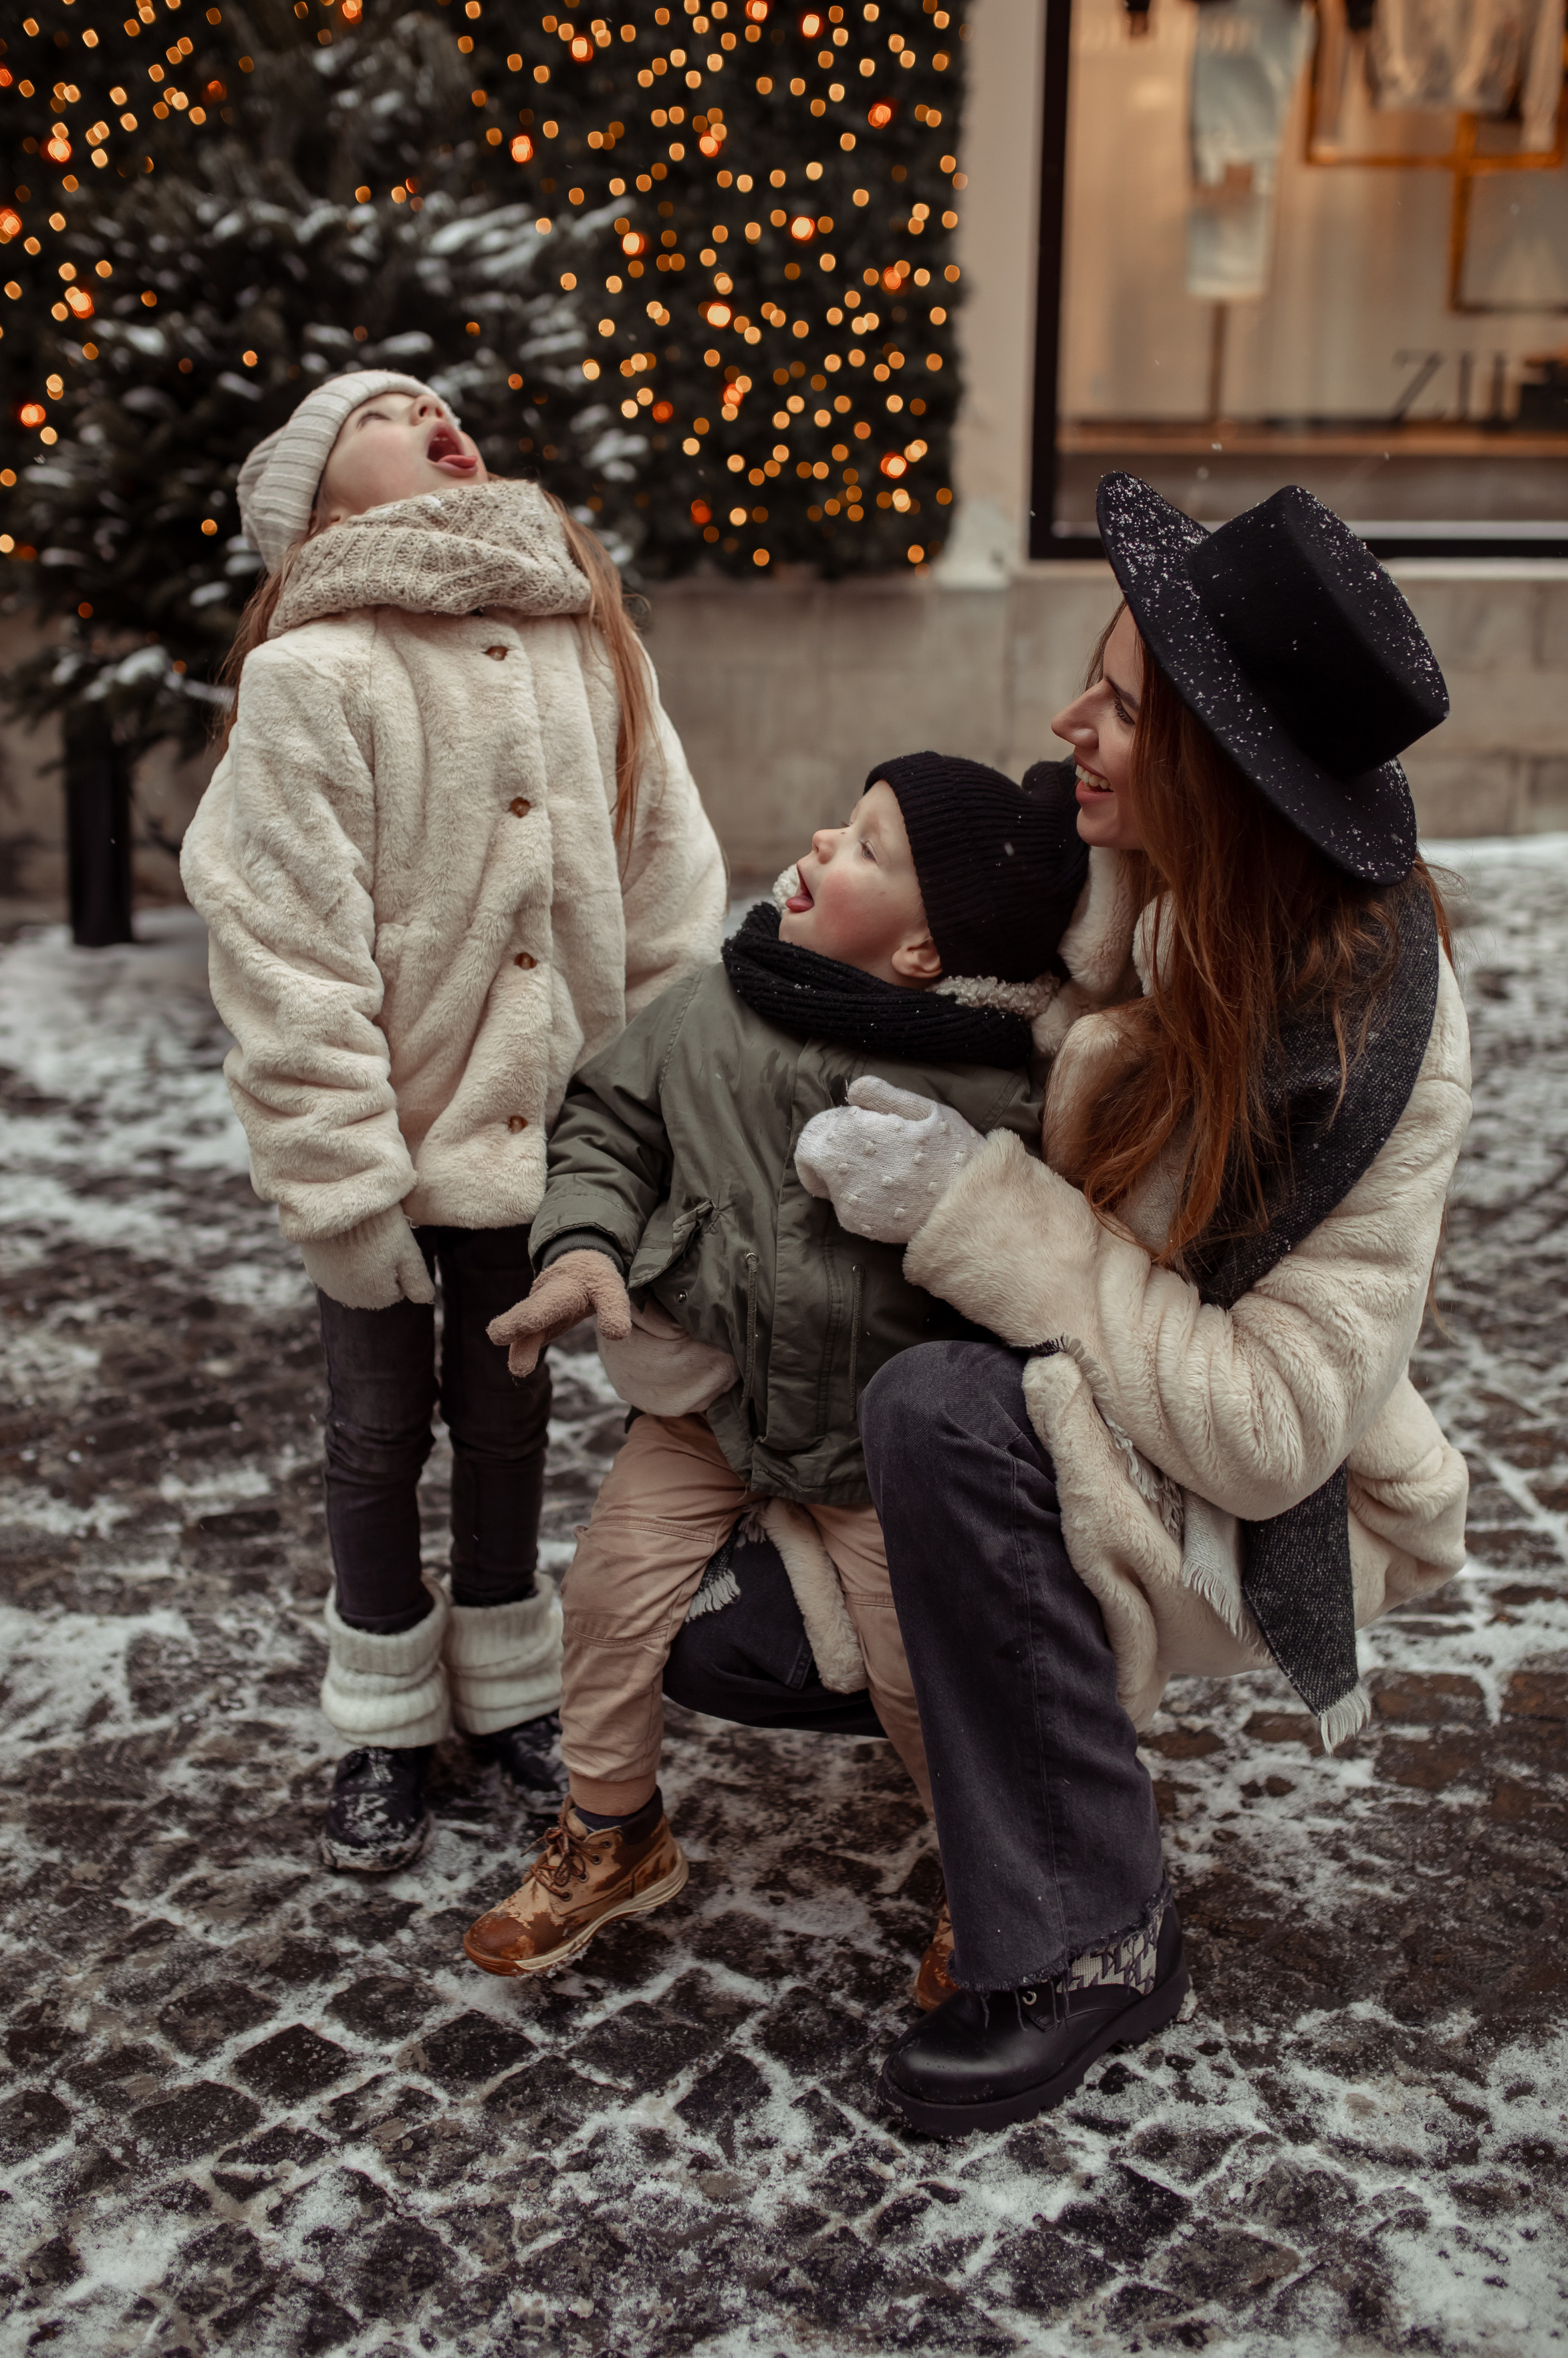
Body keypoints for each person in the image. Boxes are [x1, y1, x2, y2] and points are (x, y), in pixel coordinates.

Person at [797, 475, 1472, 2134]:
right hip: (1105, 1391)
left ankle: (1099, 1938)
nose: (1063, 723)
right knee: (740, 1634)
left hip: (1267, 1506)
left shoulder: (1363, 1041)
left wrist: (974, 1209)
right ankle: (940, 1673)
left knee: (935, 1414)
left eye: (1113, 707)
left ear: (1218, 776)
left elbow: (1265, 1436)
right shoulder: (1126, 887)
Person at [178, 372, 725, 1875]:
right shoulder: (315, 675)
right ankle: (379, 1725)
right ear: (323, 506)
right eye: (382, 409)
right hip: (385, 1144)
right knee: (373, 1436)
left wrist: (655, 1114)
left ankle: (506, 1692)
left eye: (435, 396)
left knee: (507, 1425)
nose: (431, 409)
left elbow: (667, 887)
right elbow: (284, 951)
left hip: (550, 1144)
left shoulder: (584, 639)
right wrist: (344, 1187)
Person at [459, 753, 1091, 1979]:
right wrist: (584, 1248)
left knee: (926, 1665)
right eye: (844, 825)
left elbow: (1043, 1245)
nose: (819, 843)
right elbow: (607, 1123)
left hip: (875, 1445)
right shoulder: (711, 1008)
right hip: (717, 1408)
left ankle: (992, 1867)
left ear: (922, 951)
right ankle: (613, 1828)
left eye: (866, 847)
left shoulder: (987, 1083)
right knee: (606, 1600)